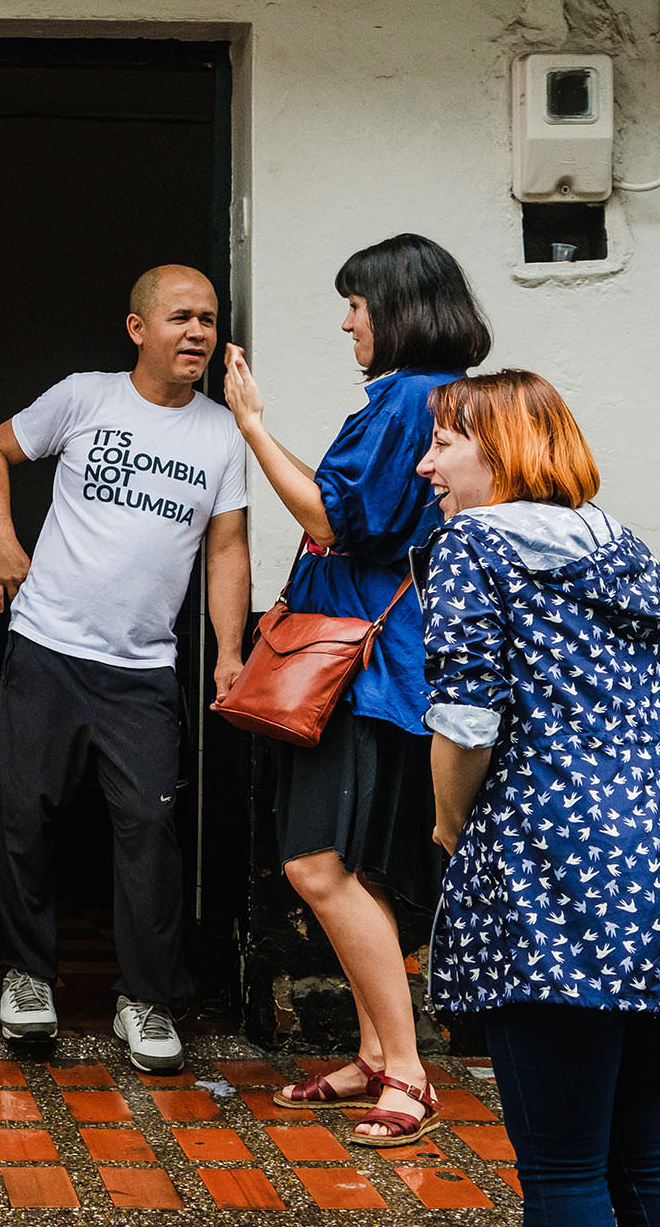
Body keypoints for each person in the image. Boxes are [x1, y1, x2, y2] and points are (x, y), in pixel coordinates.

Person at [417, 369, 660, 1227]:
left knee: (564, 1171)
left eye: (442, 445)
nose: (425, 468)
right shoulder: (627, 547)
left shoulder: (473, 545)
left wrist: (449, 824)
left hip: (565, 865)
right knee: (654, 1157)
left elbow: (469, 720)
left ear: (501, 451)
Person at [221, 233, 490, 1144]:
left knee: (316, 864)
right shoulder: (430, 395)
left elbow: (333, 520)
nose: (347, 322)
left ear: (397, 309)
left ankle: (408, 1075)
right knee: (359, 870)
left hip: (363, 672)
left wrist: (251, 423)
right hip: (385, 670)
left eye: (357, 306)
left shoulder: (409, 396)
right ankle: (375, 1055)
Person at [0, 264, 250, 1073]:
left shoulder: (221, 433)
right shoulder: (86, 397)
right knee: (26, 816)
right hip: (49, 645)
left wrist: (230, 650)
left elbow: (227, 547)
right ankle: (26, 978)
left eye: (208, 318)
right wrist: (0, 533)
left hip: (143, 668)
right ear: (138, 328)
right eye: (180, 317)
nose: (197, 332)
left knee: (150, 830)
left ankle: (146, 997)